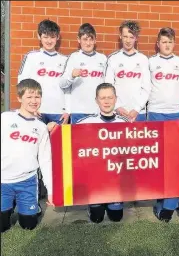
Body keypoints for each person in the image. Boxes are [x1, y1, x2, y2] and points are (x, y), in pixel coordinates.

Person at [1, 79, 52, 232]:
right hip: (3, 181)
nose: (34, 101)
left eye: (37, 97)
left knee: (29, 225)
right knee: (2, 227)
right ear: (19, 98)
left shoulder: (41, 127)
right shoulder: (5, 118)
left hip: (27, 181)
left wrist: (51, 190)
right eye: (29, 97)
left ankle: (31, 207)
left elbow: (45, 160)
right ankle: (10, 204)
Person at [76, 83, 127, 223]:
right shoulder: (85, 122)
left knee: (116, 218)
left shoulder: (125, 123)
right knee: (97, 218)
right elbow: (67, 138)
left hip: (115, 178)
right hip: (94, 179)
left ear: (116, 99)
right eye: (103, 98)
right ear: (96, 100)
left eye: (110, 97)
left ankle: (113, 203)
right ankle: (93, 204)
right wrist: (53, 127)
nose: (106, 101)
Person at [18, 19, 69, 125]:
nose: (49, 41)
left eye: (52, 37)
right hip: (36, 111)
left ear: (57, 37)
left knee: (59, 142)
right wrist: (29, 107)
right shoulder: (31, 57)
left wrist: (68, 111)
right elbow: (22, 85)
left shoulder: (66, 60)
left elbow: (70, 89)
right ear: (39, 36)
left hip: (59, 113)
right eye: (45, 37)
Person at [60, 23, 107, 124]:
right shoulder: (73, 57)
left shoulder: (102, 59)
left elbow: (107, 85)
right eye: (85, 39)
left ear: (95, 40)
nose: (88, 43)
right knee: (78, 140)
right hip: (78, 111)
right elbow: (62, 84)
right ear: (79, 39)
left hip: (98, 111)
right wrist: (71, 76)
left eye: (91, 39)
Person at [105, 20, 150, 122]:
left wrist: (137, 108)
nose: (128, 40)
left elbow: (146, 88)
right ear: (120, 36)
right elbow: (108, 86)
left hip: (138, 113)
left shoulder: (143, 59)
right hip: (118, 112)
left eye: (131, 37)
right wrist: (117, 107)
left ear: (136, 38)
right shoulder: (113, 58)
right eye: (125, 36)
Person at [147, 27, 179, 121]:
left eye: (170, 42)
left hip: (175, 111)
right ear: (158, 44)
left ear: (174, 44)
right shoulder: (150, 61)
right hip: (155, 110)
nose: (167, 45)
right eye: (164, 42)